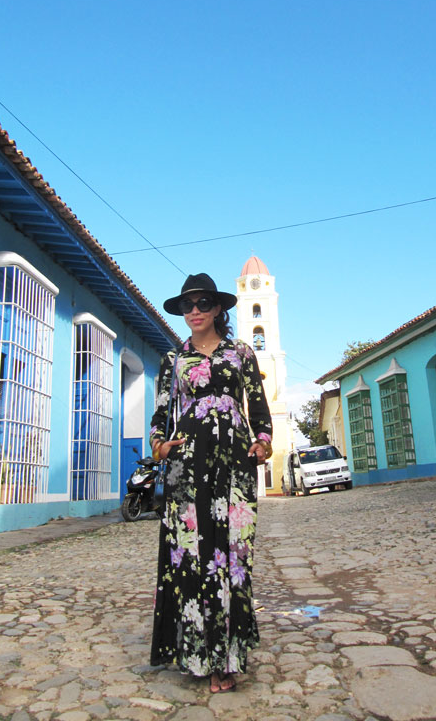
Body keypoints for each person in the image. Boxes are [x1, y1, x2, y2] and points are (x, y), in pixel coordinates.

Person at [149, 273, 273, 694]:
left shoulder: (240, 353)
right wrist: (160, 447)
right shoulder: (173, 360)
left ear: (219, 308)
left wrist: (263, 443)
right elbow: (160, 414)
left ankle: (229, 655)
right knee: (192, 557)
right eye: (188, 306)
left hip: (233, 465)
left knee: (233, 556)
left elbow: (257, 405)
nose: (195, 311)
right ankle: (199, 656)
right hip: (187, 467)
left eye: (203, 303)